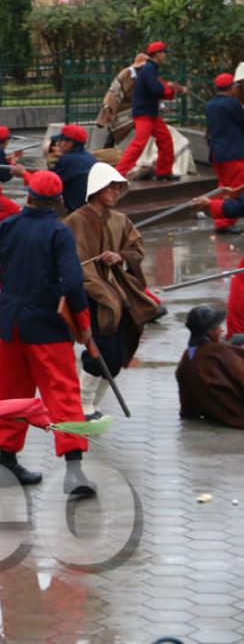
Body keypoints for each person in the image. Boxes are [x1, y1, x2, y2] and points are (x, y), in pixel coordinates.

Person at [0, 170, 95, 499]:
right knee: (63, 396)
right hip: (48, 329)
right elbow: (72, 284)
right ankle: (74, 472)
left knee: (12, 394)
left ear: (27, 195)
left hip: (12, 326)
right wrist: (83, 325)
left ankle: (6, 461)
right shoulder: (59, 232)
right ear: (57, 201)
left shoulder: (7, 227)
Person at [63, 163, 158, 419]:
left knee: (118, 351)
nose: (116, 192)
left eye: (119, 188)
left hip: (116, 294)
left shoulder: (120, 220)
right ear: (96, 189)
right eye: (111, 187)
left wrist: (119, 256)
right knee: (99, 349)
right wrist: (94, 280)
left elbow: (136, 248)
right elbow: (69, 260)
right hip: (90, 294)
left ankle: (95, 404)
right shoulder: (75, 222)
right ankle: (81, 405)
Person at [115, 41, 187, 181]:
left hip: (150, 114)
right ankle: (118, 174)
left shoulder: (151, 70)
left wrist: (171, 88)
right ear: (157, 54)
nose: (165, 56)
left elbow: (159, 88)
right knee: (139, 143)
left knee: (165, 140)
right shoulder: (149, 69)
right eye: (164, 53)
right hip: (144, 114)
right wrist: (172, 89)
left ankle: (164, 172)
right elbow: (157, 90)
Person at [175, 306, 244, 429]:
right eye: (218, 328)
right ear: (210, 332)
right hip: (236, 414)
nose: (221, 331)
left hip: (217, 414)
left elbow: (188, 410)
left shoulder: (186, 358)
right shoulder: (220, 353)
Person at [205, 73, 244, 234]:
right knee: (236, 186)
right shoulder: (232, 103)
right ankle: (226, 221)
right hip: (233, 152)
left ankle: (220, 221)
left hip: (216, 152)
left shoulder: (210, 105)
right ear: (232, 87)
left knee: (223, 187)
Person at [95, 53, 149, 147]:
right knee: (115, 129)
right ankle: (106, 150)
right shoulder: (126, 74)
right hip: (121, 106)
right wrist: (108, 111)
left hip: (135, 106)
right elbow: (114, 92)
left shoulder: (146, 76)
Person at [49, 124, 97, 214]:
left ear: (70, 143)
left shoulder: (67, 160)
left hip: (77, 211)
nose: (58, 144)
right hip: (92, 207)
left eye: (61, 140)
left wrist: (24, 174)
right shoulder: (90, 157)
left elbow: (50, 183)